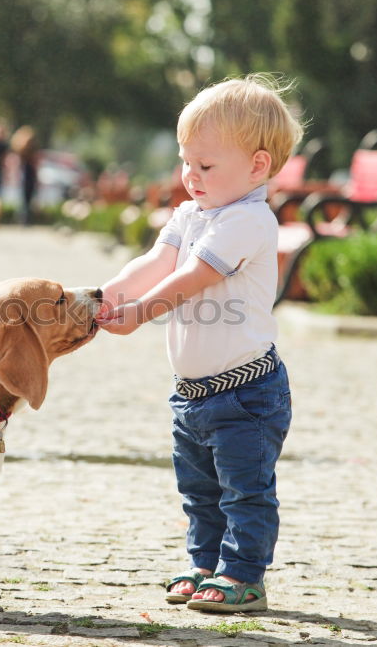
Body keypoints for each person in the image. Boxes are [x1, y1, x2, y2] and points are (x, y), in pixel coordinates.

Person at [96, 74, 303, 613]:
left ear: (257, 166)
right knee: (200, 492)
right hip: (192, 393)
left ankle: (243, 574)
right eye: (187, 162)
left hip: (246, 393)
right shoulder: (191, 213)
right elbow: (158, 262)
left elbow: (194, 277)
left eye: (206, 166)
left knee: (245, 491)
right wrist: (104, 295)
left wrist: (141, 313)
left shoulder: (249, 220)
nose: (191, 176)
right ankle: (205, 562)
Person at [10, 125, 38, 226]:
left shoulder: (19, 148)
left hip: (25, 175)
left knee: (24, 198)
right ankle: (24, 218)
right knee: (26, 198)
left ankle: (23, 218)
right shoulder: (29, 149)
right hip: (27, 175)